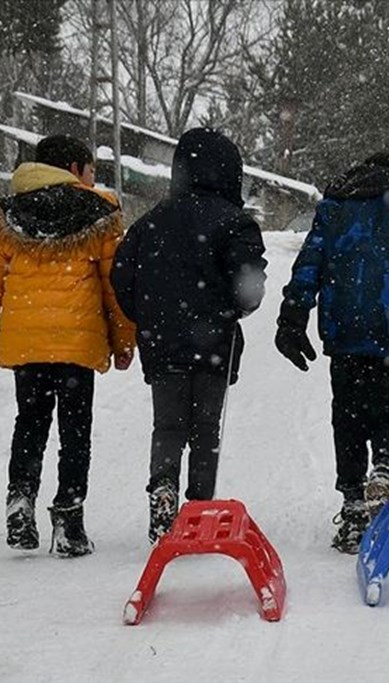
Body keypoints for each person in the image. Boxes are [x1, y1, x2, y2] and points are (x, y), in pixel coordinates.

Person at [0, 134, 135, 557]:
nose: (94, 178)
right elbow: (114, 286)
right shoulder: (99, 211)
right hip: (77, 344)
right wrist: (124, 339)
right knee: (75, 433)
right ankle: (69, 521)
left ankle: (20, 500)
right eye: (91, 170)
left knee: (31, 424)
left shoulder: (10, 215)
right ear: (75, 170)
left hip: (28, 345)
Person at [275, 152, 389, 554]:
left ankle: (353, 506)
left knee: (348, 416)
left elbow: (309, 265)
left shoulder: (335, 209)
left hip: (346, 330)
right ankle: (385, 467)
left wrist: (292, 317)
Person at [111, 127, 267, 543]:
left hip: (162, 344)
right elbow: (248, 291)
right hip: (215, 344)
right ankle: (198, 508)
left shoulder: (150, 223)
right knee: (204, 430)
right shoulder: (235, 224)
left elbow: (122, 278)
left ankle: (162, 491)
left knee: (167, 426)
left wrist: (148, 316)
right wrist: (233, 309)